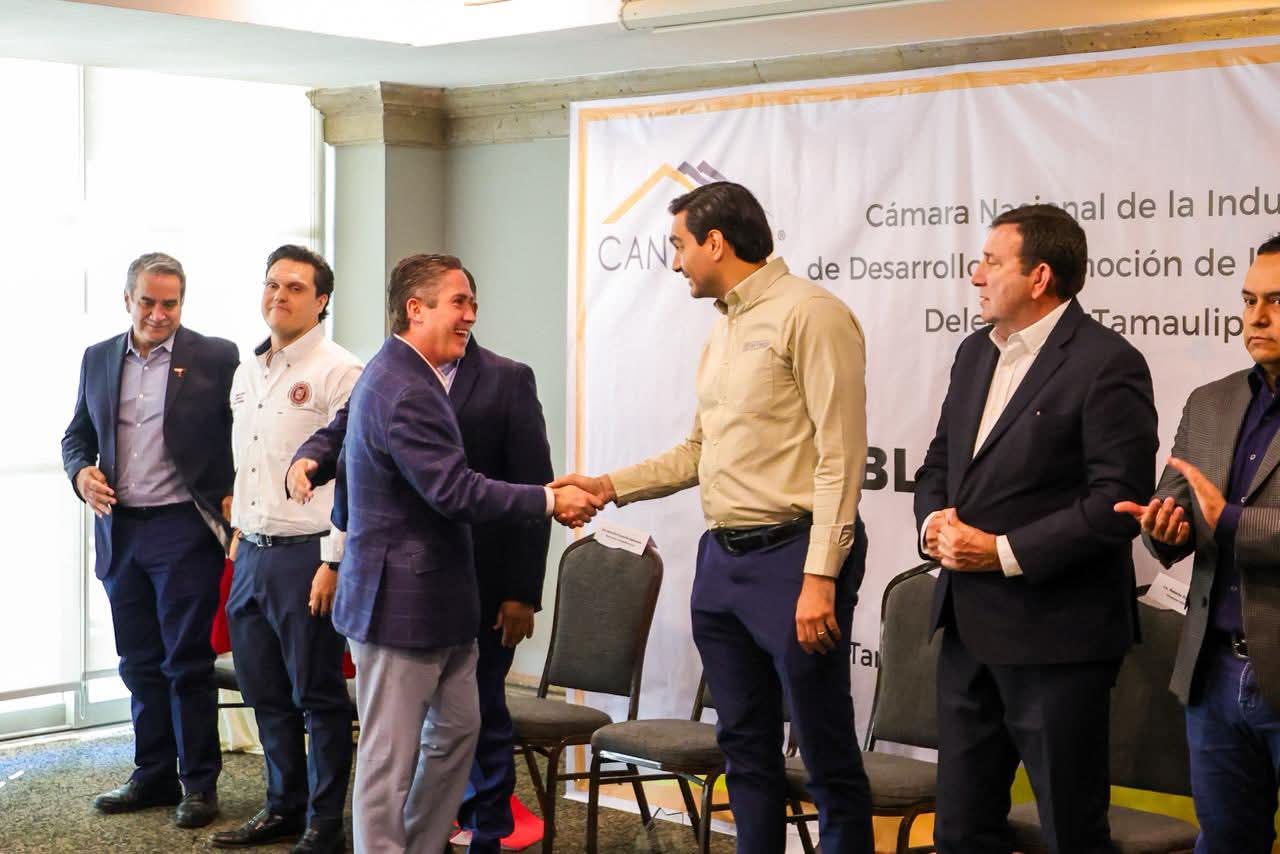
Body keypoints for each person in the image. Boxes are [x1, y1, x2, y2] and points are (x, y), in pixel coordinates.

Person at [552, 181, 873, 853]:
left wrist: (821, 576)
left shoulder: (811, 313)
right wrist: (607, 486)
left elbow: (842, 457)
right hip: (722, 562)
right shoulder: (724, 326)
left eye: (679, 245)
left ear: (716, 242)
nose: (675, 263)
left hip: (794, 560)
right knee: (744, 745)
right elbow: (698, 452)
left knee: (822, 747)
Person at [289, 253, 599, 853]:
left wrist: (523, 578)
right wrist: (549, 500)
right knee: (389, 759)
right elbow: (453, 489)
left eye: (472, 303)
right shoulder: (402, 385)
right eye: (459, 303)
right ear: (416, 309)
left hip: (454, 602)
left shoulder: (423, 375)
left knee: (459, 730)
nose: (471, 315)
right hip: (400, 605)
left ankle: (421, 843)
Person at [914, 204, 1158, 853]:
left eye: (992, 263)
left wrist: (1001, 552)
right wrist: (933, 523)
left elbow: (1118, 501)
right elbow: (940, 460)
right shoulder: (974, 353)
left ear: (1040, 276)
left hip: (1059, 640)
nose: (975, 276)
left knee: (1071, 833)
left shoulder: (1108, 362)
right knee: (960, 832)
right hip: (967, 631)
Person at [1116, 234, 1280, 854]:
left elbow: (1222, 516)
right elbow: (1175, 507)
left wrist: (1229, 519)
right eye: (1249, 300)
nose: (1256, 317)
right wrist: (1164, 529)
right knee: (1225, 841)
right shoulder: (1210, 402)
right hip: (1213, 671)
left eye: (1276, 301)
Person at [62, 251, 238, 828]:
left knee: (186, 661)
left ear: (182, 303)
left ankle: (199, 784)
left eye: (170, 303)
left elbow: (244, 432)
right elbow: (76, 436)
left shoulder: (215, 356)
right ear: (127, 300)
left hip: (182, 528)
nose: (158, 314)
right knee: (137, 660)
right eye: (148, 302)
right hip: (120, 530)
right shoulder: (98, 358)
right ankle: (154, 773)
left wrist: (237, 498)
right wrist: (81, 474)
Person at [208, 246, 361, 854]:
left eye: (296, 287)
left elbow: (354, 476)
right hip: (251, 553)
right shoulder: (247, 372)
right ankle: (282, 807)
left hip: (308, 557)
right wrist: (238, 532)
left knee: (317, 695)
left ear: (321, 300)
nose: (280, 295)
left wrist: (334, 559)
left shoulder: (340, 371)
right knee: (264, 691)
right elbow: (248, 463)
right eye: (272, 284)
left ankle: (325, 823)